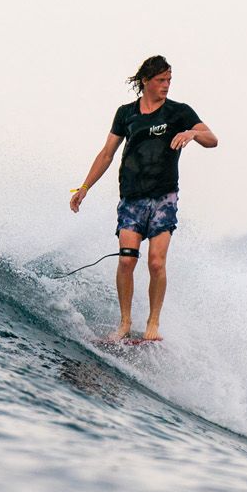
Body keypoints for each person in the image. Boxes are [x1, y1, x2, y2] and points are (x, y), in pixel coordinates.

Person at [69, 55, 218, 341]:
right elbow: (106, 154)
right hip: (132, 199)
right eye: (161, 80)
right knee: (127, 261)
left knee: (156, 263)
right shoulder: (126, 114)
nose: (166, 85)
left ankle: (153, 325)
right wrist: (84, 187)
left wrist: (191, 133)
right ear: (145, 81)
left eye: (169, 80)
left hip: (164, 198)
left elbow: (212, 138)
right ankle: (124, 323)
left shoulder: (179, 112)